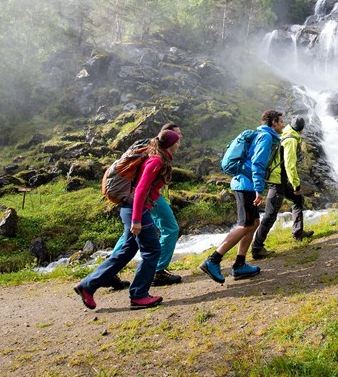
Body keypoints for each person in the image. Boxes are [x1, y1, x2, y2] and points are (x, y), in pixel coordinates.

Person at [74, 126, 181, 310]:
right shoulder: (156, 161)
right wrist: (137, 220)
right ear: (171, 144)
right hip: (136, 210)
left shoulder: (157, 157)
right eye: (177, 140)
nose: (180, 143)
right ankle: (139, 295)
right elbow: (140, 190)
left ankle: (87, 286)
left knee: (126, 251)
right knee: (152, 250)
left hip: (131, 209)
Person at [199, 109, 285, 284]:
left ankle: (240, 265)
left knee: (254, 223)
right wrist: (259, 189)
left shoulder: (263, 135)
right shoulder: (266, 137)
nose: (284, 124)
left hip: (246, 183)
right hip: (246, 185)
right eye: (281, 121)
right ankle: (213, 259)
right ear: (273, 122)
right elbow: (258, 163)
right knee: (246, 224)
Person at [110, 123, 183, 288]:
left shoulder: (155, 151)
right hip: (149, 198)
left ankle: (110, 271)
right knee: (171, 228)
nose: (180, 138)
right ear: (167, 137)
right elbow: (143, 187)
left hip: (145, 197)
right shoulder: (157, 158)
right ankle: (157, 271)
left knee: (129, 236)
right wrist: (136, 218)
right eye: (177, 135)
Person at [251, 116, 314, 259]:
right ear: (302, 130)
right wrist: (296, 185)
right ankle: (257, 247)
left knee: (298, 200)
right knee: (270, 214)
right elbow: (290, 165)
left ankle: (298, 232)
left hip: (280, 178)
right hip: (277, 180)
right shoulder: (291, 140)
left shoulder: (285, 133)